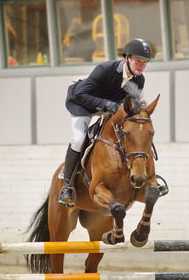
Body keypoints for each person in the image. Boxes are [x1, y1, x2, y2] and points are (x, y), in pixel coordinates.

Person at [58, 38, 151, 207]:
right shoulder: (104, 69)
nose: (141, 65)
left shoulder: (139, 80)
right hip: (83, 104)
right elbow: (81, 94)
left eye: (145, 62)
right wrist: (107, 104)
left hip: (110, 108)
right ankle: (67, 186)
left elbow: (131, 107)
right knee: (79, 139)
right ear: (126, 58)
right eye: (138, 60)